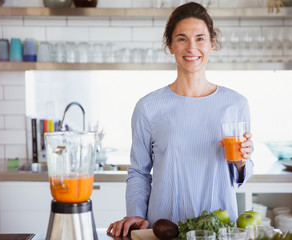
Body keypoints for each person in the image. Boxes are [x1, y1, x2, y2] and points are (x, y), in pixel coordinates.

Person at [107, 2, 254, 237]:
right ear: (170, 46)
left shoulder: (236, 104)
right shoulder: (149, 107)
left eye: (200, 38)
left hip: (219, 230)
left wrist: (242, 162)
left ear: (212, 44)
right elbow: (139, 173)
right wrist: (135, 213)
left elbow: (241, 174)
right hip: (164, 229)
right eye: (182, 39)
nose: (191, 47)